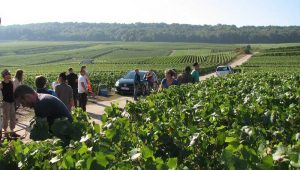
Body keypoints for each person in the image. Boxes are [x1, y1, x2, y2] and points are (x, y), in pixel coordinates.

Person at [0, 69, 19, 138]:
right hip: (6, 103)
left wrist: (16, 101)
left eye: (9, 74)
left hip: (12, 102)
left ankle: (12, 131)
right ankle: (6, 133)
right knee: (6, 118)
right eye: (8, 74)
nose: (9, 75)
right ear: (4, 76)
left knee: (13, 117)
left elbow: (14, 92)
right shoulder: (1, 84)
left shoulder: (11, 82)